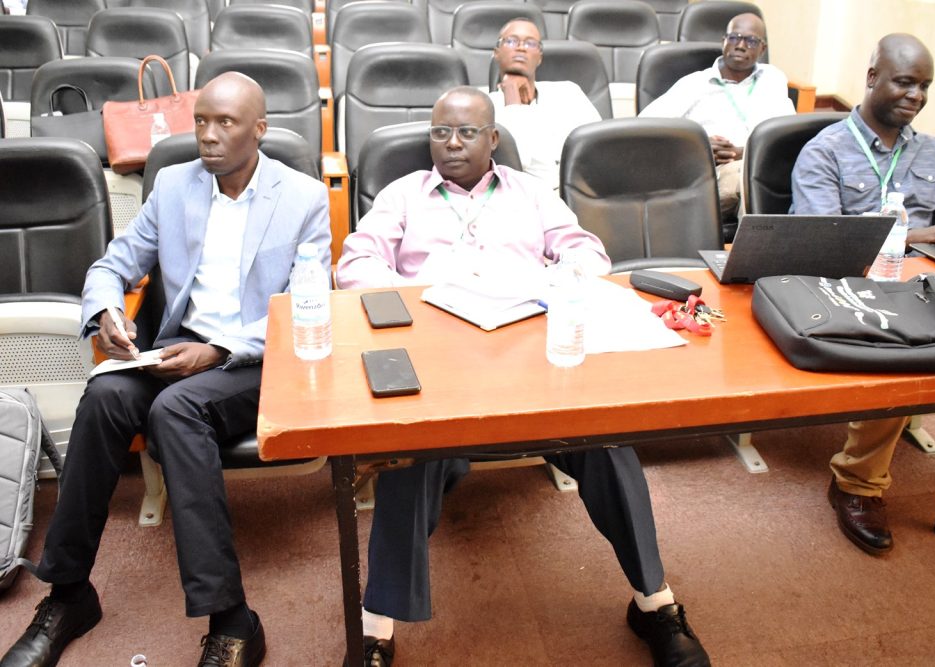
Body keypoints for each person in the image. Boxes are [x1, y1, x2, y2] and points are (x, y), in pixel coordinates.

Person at [336, 86, 710, 667]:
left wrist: (562, 279)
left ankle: (655, 603)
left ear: (493, 139)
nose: (452, 143)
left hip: (529, 353)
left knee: (607, 443)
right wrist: (412, 295)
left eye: (466, 133)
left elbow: (586, 251)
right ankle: (376, 629)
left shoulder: (531, 193)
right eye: (440, 132)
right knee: (408, 457)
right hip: (437, 357)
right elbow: (356, 262)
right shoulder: (403, 194)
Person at [1, 73, 331, 667]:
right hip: (175, 349)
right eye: (200, 121)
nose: (207, 135)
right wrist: (107, 312)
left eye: (225, 123)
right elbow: (112, 265)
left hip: (254, 358)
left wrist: (223, 349)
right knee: (103, 400)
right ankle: (69, 592)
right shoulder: (175, 186)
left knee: (175, 410)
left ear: (259, 130)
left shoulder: (303, 198)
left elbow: (310, 304)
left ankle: (232, 619)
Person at [790, 33, 935, 556]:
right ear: (872, 79)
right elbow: (822, 239)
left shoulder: (932, 150)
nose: (915, 95)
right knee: (904, 356)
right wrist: (920, 234)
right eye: (904, 81)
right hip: (853, 286)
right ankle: (856, 484)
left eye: (924, 86)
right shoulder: (824, 150)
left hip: (926, 282)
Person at [639, 13, 794, 218]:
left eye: (750, 40)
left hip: (764, 170)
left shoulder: (772, 79)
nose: (740, 45)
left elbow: (787, 136)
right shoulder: (695, 84)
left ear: (762, 49)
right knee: (748, 179)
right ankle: (756, 249)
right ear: (724, 42)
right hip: (711, 177)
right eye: (734, 37)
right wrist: (697, 148)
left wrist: (744, 152)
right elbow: (642, 128)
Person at [488, 17, 602, 191]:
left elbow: (597, 147)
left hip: (578, 193)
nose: (520, 47)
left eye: (530, 43)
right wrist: (512, 96)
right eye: (511, 41)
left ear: (540, 57)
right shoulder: (485, 106)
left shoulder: (569, 93)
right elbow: (518, 163)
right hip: (522, 198)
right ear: (496, 52)